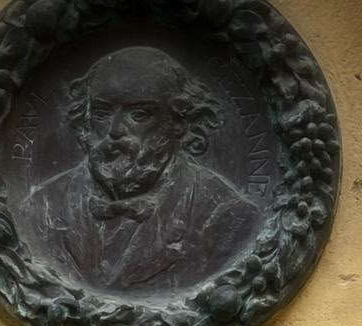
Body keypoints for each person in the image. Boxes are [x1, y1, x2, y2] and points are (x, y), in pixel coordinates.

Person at [26, 46, 259, 294]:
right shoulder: (40, 208)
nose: (115, 131)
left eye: (138, 114)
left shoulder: (227, 218)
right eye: (103, 113)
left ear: (179, 122)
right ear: (85, 117)